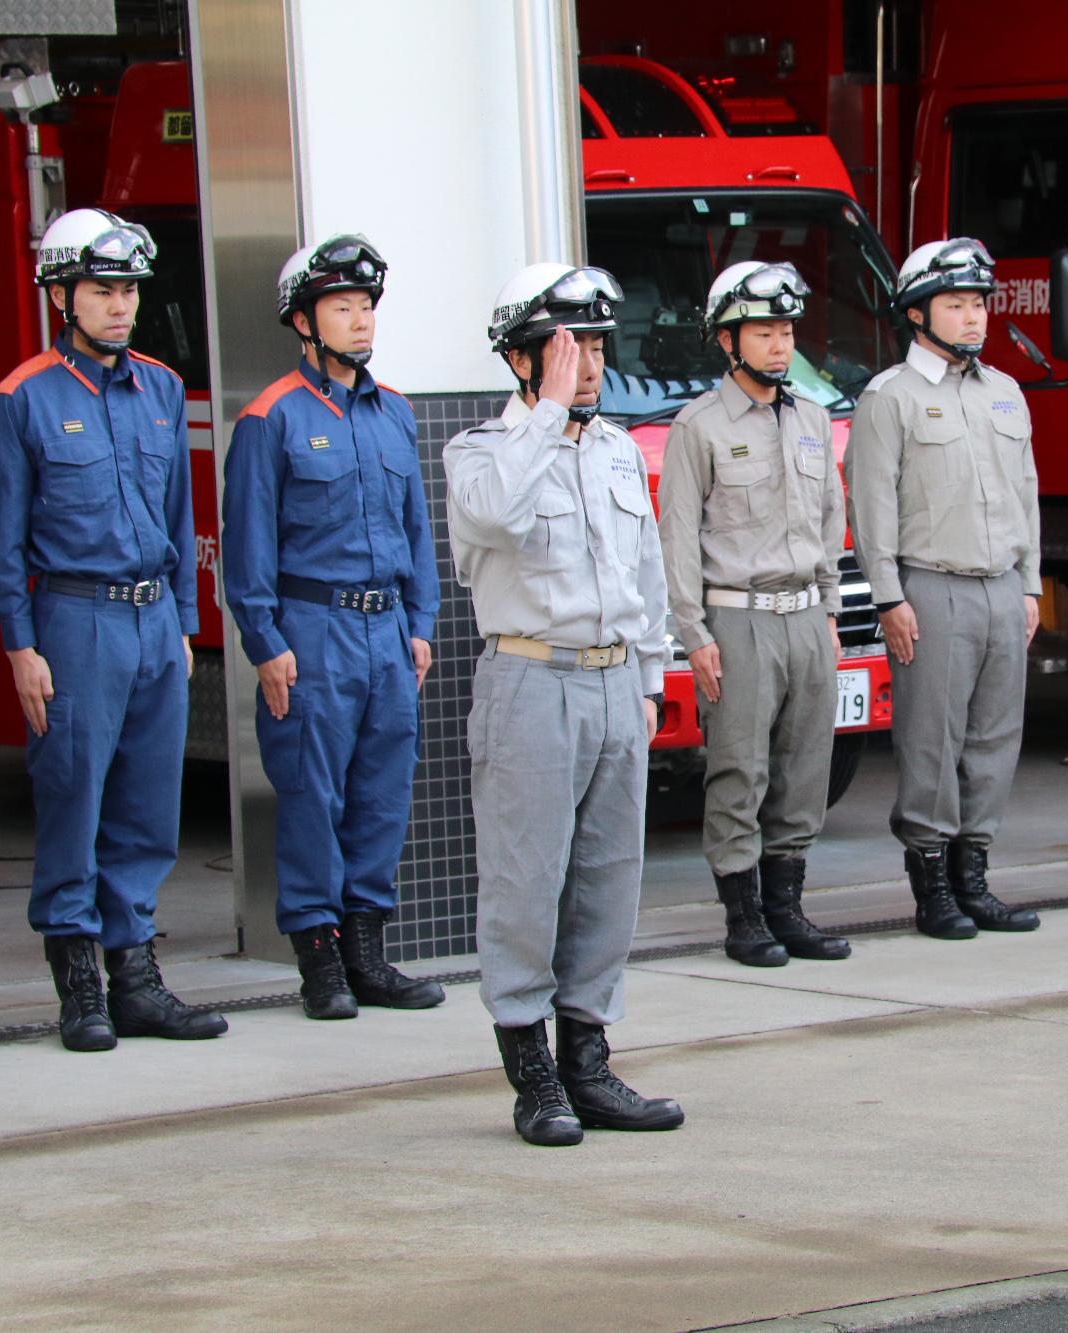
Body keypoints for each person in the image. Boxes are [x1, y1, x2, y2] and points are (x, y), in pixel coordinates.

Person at [0, 208, 226, 1050]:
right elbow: (0, 536)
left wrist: (186, 625)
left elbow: (177, 508)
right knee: (74, 797)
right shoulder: (22, 398)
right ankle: (80, 985)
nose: (121, 306)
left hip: (155, 617)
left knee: (147, 806)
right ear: (61, 295)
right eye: (102, 291)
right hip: (73, 619)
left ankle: (136, 976)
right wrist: (20, 646)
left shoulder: (158, 386)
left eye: (128, 291)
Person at [445, 262, 684, 1147]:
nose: (586, 363)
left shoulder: (618, 448)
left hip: (617, 680)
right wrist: (546, 413)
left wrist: (653, 679)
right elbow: (495, 518)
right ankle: (531, 1073)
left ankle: (588, 1058)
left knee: (607, 882)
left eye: (592, 345)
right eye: (564, 346)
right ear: (520, 357)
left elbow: (646, 570)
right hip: (530, 680)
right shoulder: (479, 451)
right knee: (525, 879)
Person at [221, 234, 444, 1022]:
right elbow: (247, 547)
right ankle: (318, 961)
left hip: (386, 633)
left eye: (366, 307)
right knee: (312, 794)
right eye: (342, 307)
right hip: (311, 630)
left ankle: (367, 952)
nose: (360, 321)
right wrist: (265, 642)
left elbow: (419, 529)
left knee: (380, 794)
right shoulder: (269, 419)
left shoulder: (396, 415)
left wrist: (421, 623)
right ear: (304, 321)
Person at [845, 237, 1041, 940]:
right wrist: (889, 597)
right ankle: (932, 884)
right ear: (918, 313)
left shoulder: (1004, 393)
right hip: (931, 588)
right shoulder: (890, 399)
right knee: (933, 740)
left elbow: (1026, 495)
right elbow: (872, 507)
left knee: (994, 739)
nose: (975, 317)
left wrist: (1031, 585)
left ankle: (974, 877)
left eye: (979, 303)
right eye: (956, 304)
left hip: (1000, 588)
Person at [658, 261, 852, 967]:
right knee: (739, 770)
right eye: (764, 331)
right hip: (736, 620)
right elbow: (678, 538)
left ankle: (787, 909)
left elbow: (831, 516)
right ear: (727, 340)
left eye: (787, 330)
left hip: (806, 615)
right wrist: (694, 632)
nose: (780, 344)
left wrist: (829, 609)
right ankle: (743, 918)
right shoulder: (698, 426)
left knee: (806, 770)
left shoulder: (811, 417)